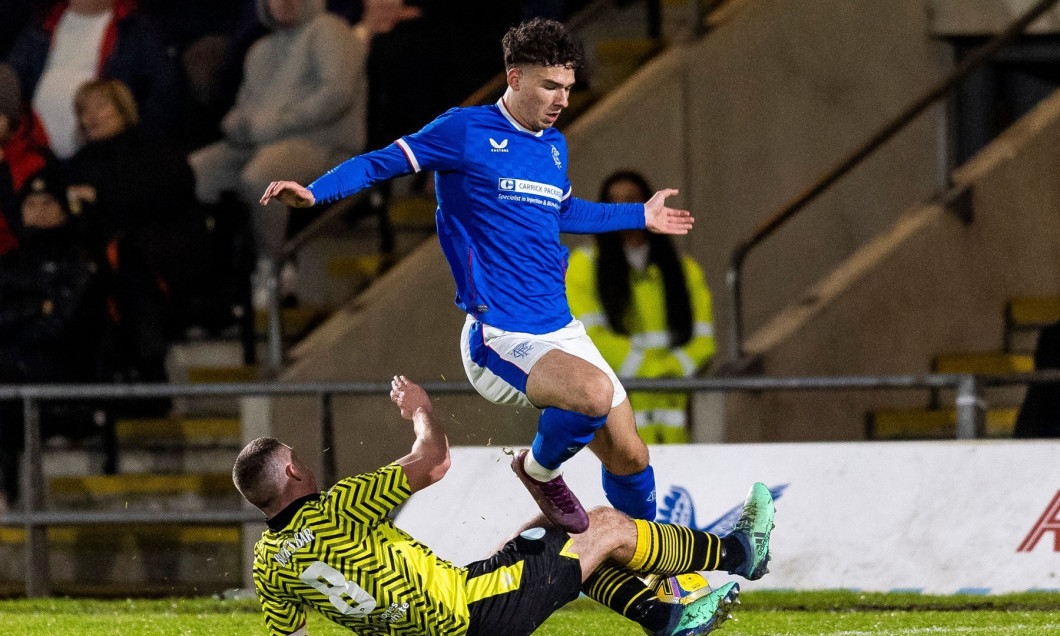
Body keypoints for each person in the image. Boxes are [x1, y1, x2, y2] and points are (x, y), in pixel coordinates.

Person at [260, 18, 695, 534]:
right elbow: (381, 163)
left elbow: (562, 210)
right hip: (498, 335)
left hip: (560, 328)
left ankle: (652, 573)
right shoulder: (463, 131)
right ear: (513, 78)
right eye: (549, 86)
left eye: (569, 88)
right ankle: (537, 471)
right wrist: (315, 192)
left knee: (632, 458)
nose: (562, 100)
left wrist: (637, 216)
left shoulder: (553, 145)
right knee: (595, 394)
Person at [233, 376, 775, 636]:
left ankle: (661, 614)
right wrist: (422, 410)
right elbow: (433, 462)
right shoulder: (337, 509)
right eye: (298, 458)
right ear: (294, 473)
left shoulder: (268, 563)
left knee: (555, 527)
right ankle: (738, 552)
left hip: (454, 606)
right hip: (472, 616)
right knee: (603, 527)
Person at [190, 0, 409, 307]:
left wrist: (274, 124)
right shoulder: (260, 50)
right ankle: (211, 275)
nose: (285, 2)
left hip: (324, 143)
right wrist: (237, 122)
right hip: (259, 142)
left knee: (263, 176)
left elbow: (336, 95)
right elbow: (247, 105)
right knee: (194, 172)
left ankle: (273, 265)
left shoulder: (330, 32)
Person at [567, 171, 716, 444]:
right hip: (615, 414)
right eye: (614, 202)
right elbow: (589, 335)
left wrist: (670, 368)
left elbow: (704, 339)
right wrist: (652, 371)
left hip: (679, 420)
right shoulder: (585, 265)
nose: (623, 209)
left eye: (631, 200)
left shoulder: (684, 269)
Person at [0, 167, 107, 509]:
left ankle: (7, 493)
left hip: (63, 380)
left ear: (63, 208)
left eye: (48, 202)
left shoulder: (79, 260)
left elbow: (62, 327)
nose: (38, 211)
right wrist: (34, 307)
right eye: (30, 203)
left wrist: (17, 318)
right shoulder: (10, 263)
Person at [6, 0, 183, 160]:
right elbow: (8, 83)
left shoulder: (136, 28)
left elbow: (164, 96)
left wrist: (131, 149)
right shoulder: (41, 24)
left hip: (106, 163)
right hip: (30, 160)